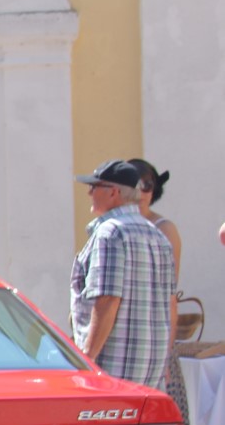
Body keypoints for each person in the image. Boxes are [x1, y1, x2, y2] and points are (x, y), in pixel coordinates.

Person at [69, 160, 176, 390]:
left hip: (114, 370)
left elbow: (107, 299)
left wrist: (87, 358)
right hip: (150, 371)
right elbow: (168, 303)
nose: (89, 193)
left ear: (114, 192)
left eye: (94, 187)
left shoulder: (111, 232)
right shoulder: (158, 236)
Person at [130, 158, 186, 424]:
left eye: (148, 185)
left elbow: (169, 296)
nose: (142, 192)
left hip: (153, 334)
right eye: (135, 185)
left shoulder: (164, 228)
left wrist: (167, 350)